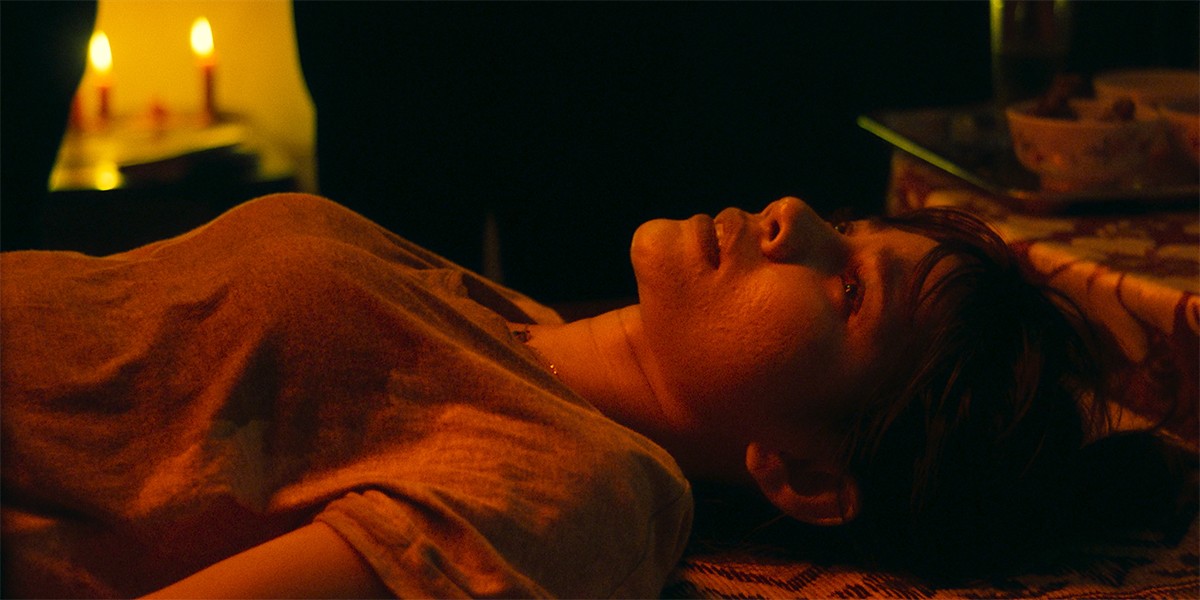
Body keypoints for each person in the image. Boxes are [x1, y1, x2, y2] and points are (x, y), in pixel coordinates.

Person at [1, 193, 1184, 598]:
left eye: (847, 291)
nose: (793, 216)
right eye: (846, 224)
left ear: (809, 477)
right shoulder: (522, 328)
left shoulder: (584, 490)